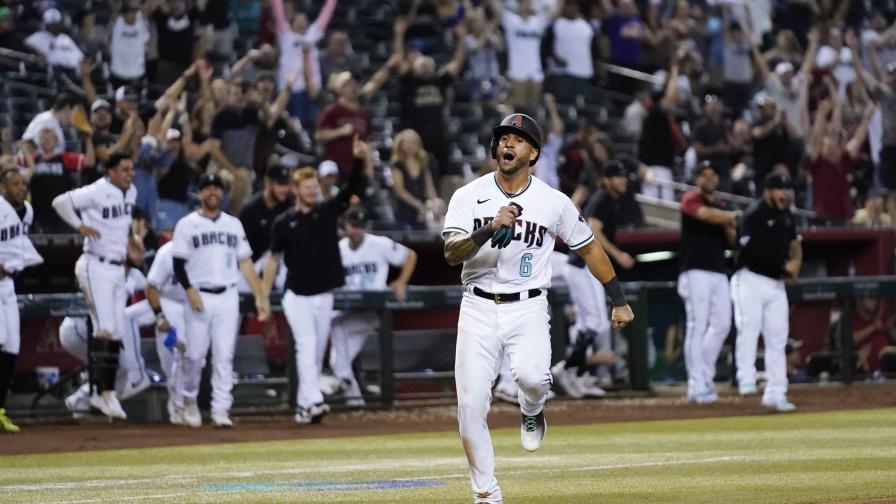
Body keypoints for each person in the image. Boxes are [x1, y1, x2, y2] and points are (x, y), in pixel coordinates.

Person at [441, 113, 634, 504]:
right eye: (503, 138)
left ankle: (532, 409)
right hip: (477, 305)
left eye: (518, 139)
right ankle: (486, 494)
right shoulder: (467, 195)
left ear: (533, 153)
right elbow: (450, 253)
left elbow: (589, 248)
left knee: (532, 380)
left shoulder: (552, 201)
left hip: (527, 305)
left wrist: (618, 299)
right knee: (470, 406)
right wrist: (487, 228)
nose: (508, 144)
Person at [261, 136, 369, 424]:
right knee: (306, 346)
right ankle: (314, 401)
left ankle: (303, 407)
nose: (311, 191)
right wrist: (262, 295)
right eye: (306, 187)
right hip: (297, 295)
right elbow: (272, 259)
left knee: (316, 353)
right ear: (296, 190)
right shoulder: (284, 222)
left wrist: (358, 160)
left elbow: (352, 190)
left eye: (313, 187)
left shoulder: (326, 211)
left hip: (323, 293)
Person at [169, 173, 270, 428]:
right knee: (194, 355)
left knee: (224, 356)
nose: (213, 192)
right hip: (199, 294)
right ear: (199, 193)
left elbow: (245, 262)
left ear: (223, 193)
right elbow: (178, 263)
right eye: (208, 188)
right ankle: (189, 400)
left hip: (228, 295)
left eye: (217, 188)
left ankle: (221, 408)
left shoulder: (233, 224)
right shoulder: (186, 224)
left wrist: (260, 295)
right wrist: (189, 290)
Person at [51, 153, 139, 421]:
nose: (129, 173)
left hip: (117, 266)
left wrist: (131, 238)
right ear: (110, 171)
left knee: (116, 331)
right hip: (95, 264)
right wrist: (80, 226)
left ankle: (105, 392)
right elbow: (60, 202)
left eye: (131, 169)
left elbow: (122, 222)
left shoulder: (131, 191)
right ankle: (101, 392)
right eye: (124, 169)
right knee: (104, 328)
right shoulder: (97, 190)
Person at [554, 161, 635, 398]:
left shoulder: (609, 199)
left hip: (584, 268)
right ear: (606, 180)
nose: (623, 180)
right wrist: (618, 255)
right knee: (593, 323)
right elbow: (594, 230)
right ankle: (567, 370)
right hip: (581, 267)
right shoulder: (603, 198)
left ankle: (578, 374)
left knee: (594, 324)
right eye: (618, 176)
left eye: (624, 176)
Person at [330, 207, 417, 407]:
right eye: (353, 225)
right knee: (338, 360)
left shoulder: (379, 244)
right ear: (345, 226)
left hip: (372, 310)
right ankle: (354, 400)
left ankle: (347, 388)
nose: (356, 230)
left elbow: (410, 256)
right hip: (350, 310)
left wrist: (401, 281)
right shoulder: (339, 249)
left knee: (336, 331)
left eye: (360, 226)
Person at [731, 172, 802, 412]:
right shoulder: (753, 215)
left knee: (778, 338)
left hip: (775, 283)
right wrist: (784, 266)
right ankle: (746, 377)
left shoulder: (786, 215)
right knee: (749, 326)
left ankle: (776, 392)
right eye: (780, 189)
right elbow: (751, 251)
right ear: (768, 191)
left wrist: (795, 264)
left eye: (787, 189)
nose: (785, 194)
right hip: (749, 278)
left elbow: (795, 242)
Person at [59, 247, 152, 415]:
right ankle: (88, 393)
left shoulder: (134, 275)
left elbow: (153, 290)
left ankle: (81, 399)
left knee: (120, 367)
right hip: (77, 327)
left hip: (99, 330)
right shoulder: (99, 270)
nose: (141, 254)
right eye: (135, 250)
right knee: (113, 363)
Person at [677, 162, 738, 404]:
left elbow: (731, 239)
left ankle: (704, 377)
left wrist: (730, 223)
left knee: (722, 324)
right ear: (697, 179)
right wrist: (732, 216)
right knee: (697, 325)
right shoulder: (691, 198)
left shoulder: (721, 205)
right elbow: (705, 215)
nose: (709, 178)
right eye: (704, 175)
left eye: (713, 174)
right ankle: (696, 384)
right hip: (695, 270)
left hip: (718, 270)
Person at [0, 170, 44, 433]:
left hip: (9, 284)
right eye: (14, 184)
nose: (20, 188)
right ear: (2, 187)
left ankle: (0, 409)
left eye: (23, 184)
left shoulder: (26, 211)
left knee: (11, 346)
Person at [142, 241, 188, 423]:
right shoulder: (167, 252)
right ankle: (177, 404)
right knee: (172, 359)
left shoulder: (203, 250)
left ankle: (180, 404)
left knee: (190, 356)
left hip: (194, 306)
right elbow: (151, 286)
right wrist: (160, 315)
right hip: (169, 303)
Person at [271, 0, 337, 125]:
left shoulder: (313, 34)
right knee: (288, 124)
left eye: (304, 21)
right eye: (298, 20)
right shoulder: (285, 34)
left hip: (311, 89)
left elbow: (325, 16)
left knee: (309, 124)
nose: (301, 23)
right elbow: (278, 13)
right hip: (289, 88)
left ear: (308, 24)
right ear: (291, 23)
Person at [238, 165, 291, 293]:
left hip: (281, 264)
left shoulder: (289, 207)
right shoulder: (250, 210)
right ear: (268, 183)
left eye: (286, 184)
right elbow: (242, 250)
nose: (285, 189)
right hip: (252, 266)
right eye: (280, 184)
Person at [390, 129, 442, 230]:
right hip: (404, 212)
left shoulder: (423, 164)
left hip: (422, 212)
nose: (410, 145)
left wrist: (436, 202)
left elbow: (430, 190)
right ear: (401, 145)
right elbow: (400, 190)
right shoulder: (397, 165)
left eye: (413, 142)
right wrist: (418, 205)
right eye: (407, 142)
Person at [109, 2, 150, 88]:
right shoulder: (117, 23)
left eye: (134, 13)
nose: (132, 15)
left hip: (137, 73)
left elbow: (146, 7)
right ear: (123, 14)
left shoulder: (142, 23)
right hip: (118, 73)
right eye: (129, 13)